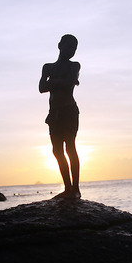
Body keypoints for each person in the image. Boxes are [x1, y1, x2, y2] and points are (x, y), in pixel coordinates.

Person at [38, 34, 81, 199]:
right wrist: (61, 82)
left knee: (70, 147)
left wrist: (54, 82)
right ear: (59, 45)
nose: (71, 51)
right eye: (68, 46)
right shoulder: (48, 67)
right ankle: (67, 188)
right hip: (54, 114)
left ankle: (76, 189)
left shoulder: (75, 66)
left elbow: (69, 83)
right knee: (57, 150)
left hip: (69, 111)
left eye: (74, 48)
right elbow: (42, 87)